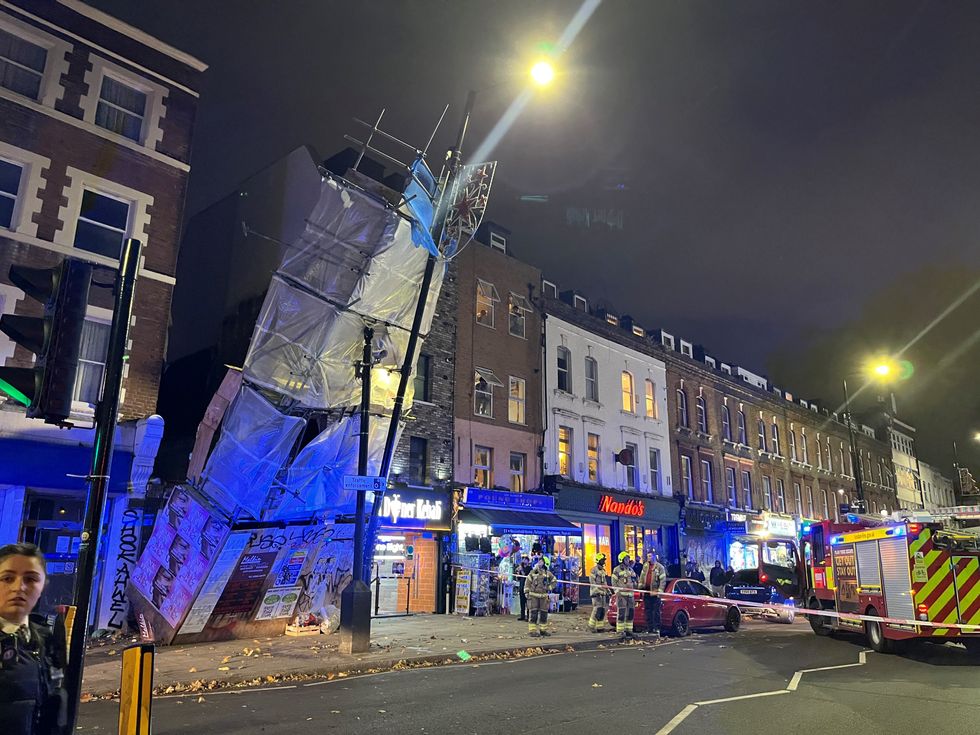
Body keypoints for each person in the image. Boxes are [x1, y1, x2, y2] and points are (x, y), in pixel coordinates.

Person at [0, 543, 67, 735]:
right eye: (7, 578)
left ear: (43, 585)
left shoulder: (45, 638)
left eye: (30, 579)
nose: (19, 587)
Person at [525, 556, 557, 637]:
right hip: (533, 596)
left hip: (543, 597)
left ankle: (543, 630)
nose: (539, 563)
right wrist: (526, 592)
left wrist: (549, 588)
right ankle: (532, 631)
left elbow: (554, 581)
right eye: (539, 561)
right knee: (533, 614)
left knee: (544, 614)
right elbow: (527, 582)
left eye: (541, 562)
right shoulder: (533, 572)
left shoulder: (548, 574)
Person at [612, 551, 638, 642]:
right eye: (626, 559)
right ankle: (620, 631)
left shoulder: (631, 570)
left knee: (631, 612)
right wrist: (617, 591)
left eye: (628, 559)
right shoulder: (617, 570)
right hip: (622, 595)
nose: (628, 560)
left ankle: (629, 630)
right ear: (622, 560)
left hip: (630, 595)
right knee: (622, 612)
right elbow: (614, 582)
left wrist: (635, 582)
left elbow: (635, 579)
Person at [639, 551, 667, 635]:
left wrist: (659, 591)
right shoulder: (645, 566)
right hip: (646, 592)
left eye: (650, 556)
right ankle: (649, 628)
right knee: (648, 611)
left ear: (654, 557)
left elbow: (663, 581)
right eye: (647, 556)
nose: (648, 558)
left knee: (656, 612)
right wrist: (640, 587)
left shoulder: (660, 567)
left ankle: (657, 628)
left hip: (655, 593)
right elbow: (642, 577)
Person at [587, 553, 610, 633]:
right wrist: (597, 591)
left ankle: (599, 627)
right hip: (596, 594)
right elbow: (592, 582)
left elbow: (605, 582)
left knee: (602, 610)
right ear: (598, 561)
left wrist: (608, 591)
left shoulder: (603, 571)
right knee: (596, 609)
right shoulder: (594, 570)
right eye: (602, 560)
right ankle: (591, 626)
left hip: (603, 593)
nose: (604, 562)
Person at [516, 554, 532, 621]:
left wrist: (521, 570)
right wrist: (518, 572)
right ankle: (522, 616)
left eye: (525, 559)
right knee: (522, 602)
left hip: (527, 587)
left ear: (528, 561)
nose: (524, 560)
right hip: (521, 586)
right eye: (523, 559)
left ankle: (528, 616)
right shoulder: (521, 567)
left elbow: (525, 575)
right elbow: (518, 578)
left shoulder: (529, 568)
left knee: (527, 602)